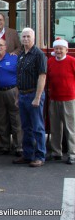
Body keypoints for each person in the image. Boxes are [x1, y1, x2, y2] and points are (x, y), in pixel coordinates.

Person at [13, 28, 47, 168]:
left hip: (34, 95)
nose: (25, 39)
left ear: (33, 38)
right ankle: (27, 155)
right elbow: (19, 76)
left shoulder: (39, 54)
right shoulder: (22, 55)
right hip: (23, 95)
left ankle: (40, 156)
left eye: (28, 36)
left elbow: (42, 76)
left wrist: (38, 97)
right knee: (26, 127)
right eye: (24, 36)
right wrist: (17, 96)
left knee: (37, 127)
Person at [0, 38, 23, 157]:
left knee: (16, 120)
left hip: (12, 91)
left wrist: (19, 92)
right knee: (1, 121)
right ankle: (4, 146)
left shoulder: (14, 58)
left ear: (6, 47)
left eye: (1, 45)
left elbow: (20, 75)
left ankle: (19, 147)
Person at [47, 37, 75, 165]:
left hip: (69, 98)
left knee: (70, 128)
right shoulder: (50, 61)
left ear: (66, 49)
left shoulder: (72, 61)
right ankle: (56, 152)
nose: (58, 51)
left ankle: (72, 154)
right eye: (56, 48)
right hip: (54, 98)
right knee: (55, 127)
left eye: (61, 49)